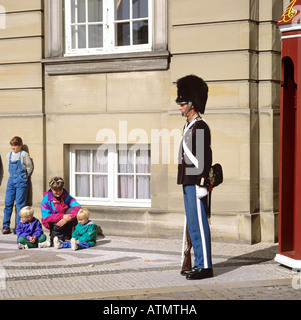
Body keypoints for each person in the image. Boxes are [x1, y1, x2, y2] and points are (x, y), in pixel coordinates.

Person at [176, 75, 213, 280]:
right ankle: (199, 263)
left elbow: (204, 158)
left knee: (199, 224)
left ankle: (205, 266)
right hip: (187, 180)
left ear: (191, 104)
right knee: (192, 224)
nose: (180, 107)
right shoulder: (189, 126)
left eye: (182, 103)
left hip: (196, 183)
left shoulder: (200, 126)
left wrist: (202, 183)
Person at [2, 136, 33, 234]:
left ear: (20, 146)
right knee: (8, 203)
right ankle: (6, 226)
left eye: (15, 145)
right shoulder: (9, 155)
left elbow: (29, 167)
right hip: (11, 180)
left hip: (21, 180)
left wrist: (24, 177)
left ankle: (19, 226)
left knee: (20, 204)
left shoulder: (24, 154)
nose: (13, 147)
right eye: (12, 145)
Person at [41, 177, 81, 245]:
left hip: (66, 219)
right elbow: (47, 217)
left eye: (60, 189)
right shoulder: (46, 200)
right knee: (57, 225)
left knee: (73, 212)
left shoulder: (66, 196)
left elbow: (77, 206)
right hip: (54, 222)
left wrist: (67, 218)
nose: (58, 192)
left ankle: (73, 237)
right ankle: (57, 238)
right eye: (56, 190)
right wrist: (62, 217)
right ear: (51, 188)